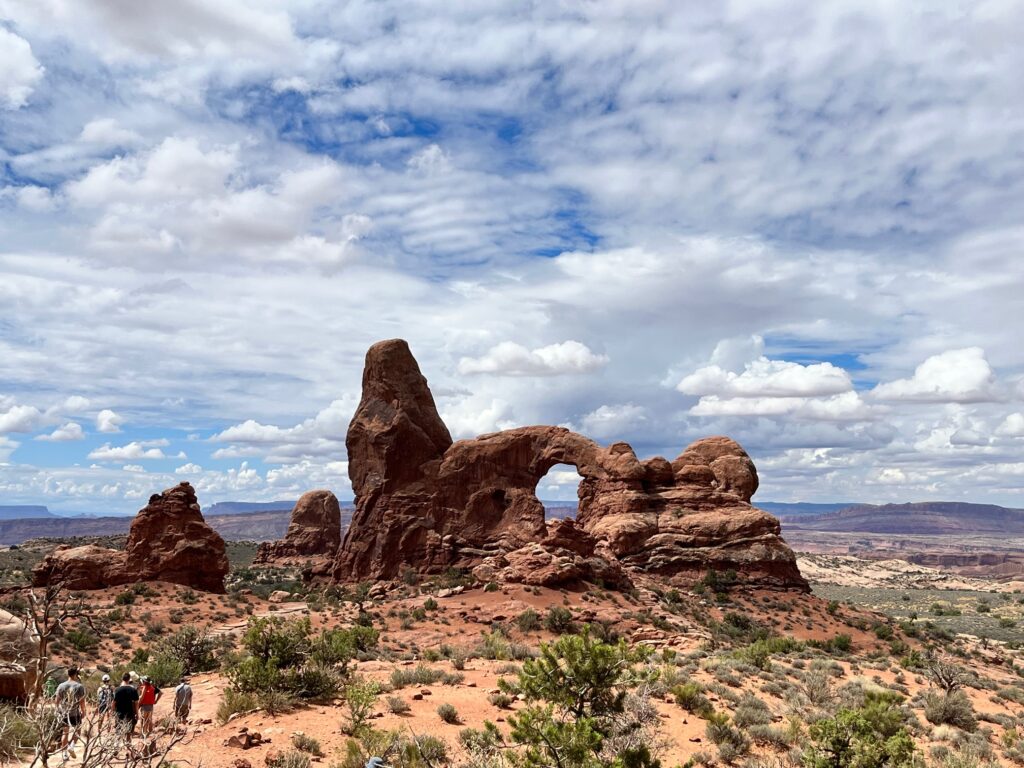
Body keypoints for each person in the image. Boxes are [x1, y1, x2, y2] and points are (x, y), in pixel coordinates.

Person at [54, 667, 86, 761]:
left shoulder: (61, 686)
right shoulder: (79, 686)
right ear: (76, 674)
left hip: (64, 713)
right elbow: (82, 701)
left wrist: (58, 710)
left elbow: (57, 701)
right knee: (78, 731)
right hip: (75, 712)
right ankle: (71, 746)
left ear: (68, 674)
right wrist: (83, 711)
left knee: (65, 732)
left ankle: (64, 754)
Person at [113, 672, 140, 741]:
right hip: (129, 713)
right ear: (129, 679)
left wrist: (112, 713)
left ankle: (116, 747)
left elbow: (113, 703)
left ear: (122, 679)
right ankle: (128, 747)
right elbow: (136, 703)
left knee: (118, 732)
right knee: (129, 733)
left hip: (119, 713)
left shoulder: (117, 690)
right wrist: (137, 713)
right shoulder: (133, 690)